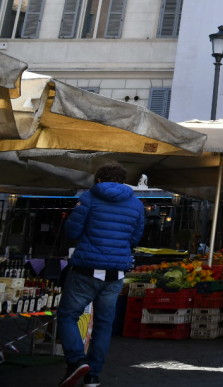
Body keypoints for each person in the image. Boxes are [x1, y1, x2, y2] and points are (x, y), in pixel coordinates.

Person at [57, 161, 145, 387]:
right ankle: (93, 375)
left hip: (87, 267)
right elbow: (135, 238)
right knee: (104, 325)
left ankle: (76, 359)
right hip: (116, 271)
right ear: (122, 180)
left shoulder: (88, 199)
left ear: (98, 179)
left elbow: (73, 231)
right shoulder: (136, 205)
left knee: (68, 315)